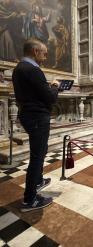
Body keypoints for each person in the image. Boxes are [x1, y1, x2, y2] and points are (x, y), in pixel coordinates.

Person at [12, 39, 60, 212]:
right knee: (37, 157)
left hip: (28, 114)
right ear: (34, 51)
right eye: (44, 53)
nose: (45, 57)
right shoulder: (33, 70)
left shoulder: (19, 69)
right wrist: (55, 87)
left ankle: (38, 181)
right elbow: (50, 98)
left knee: (41, 150)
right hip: (37, 117)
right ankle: (30, 199)